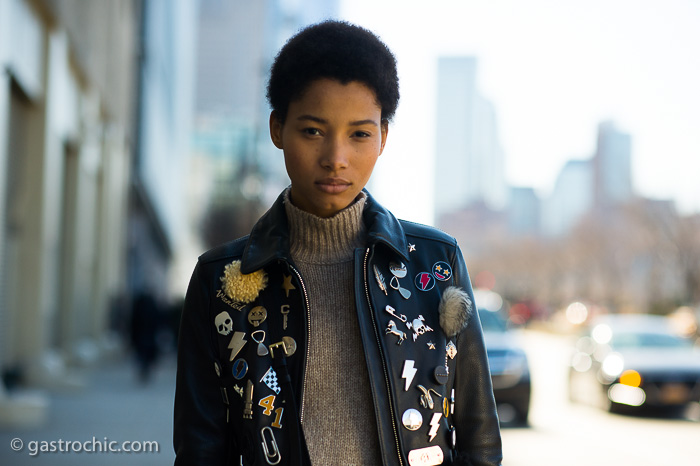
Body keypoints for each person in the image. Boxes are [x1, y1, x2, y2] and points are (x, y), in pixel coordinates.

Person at [174, 20, 502, 466]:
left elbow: (480, 440)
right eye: (312, 131)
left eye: (359, 134)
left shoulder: (435, 263)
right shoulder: (220, 280)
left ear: (383, 137)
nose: (336, 158)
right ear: (277, 129)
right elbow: (201, 450)